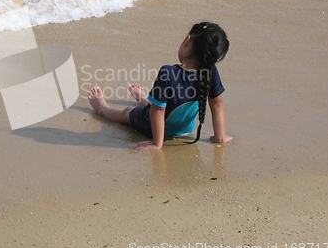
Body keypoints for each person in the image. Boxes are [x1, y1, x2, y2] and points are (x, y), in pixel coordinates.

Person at [88, 22, 232, 151]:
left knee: (128, 112)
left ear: (188, 41)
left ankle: (102, 107)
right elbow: (217, 105)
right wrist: (220, 137)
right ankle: (144, 99)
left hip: (152, 128)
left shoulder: (168, 72)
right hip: (184, 130)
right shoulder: (211, 72)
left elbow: (157, 111)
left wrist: (157, 144)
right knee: (158, 105)